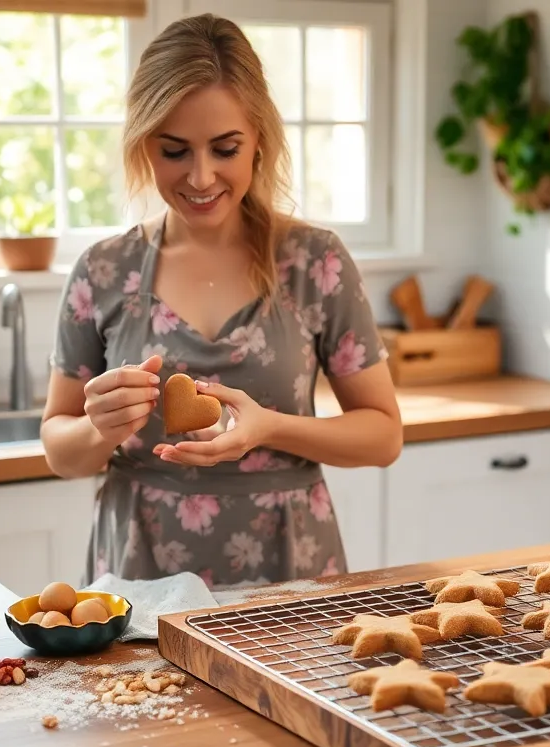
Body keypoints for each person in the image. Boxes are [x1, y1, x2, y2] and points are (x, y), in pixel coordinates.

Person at [41, 13, 402, 588]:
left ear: (259, 140)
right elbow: (62, 452)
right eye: (175, 150)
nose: (202, 176)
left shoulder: (315, 261)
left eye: (225, 148)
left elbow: (383, 436)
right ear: (144, 145)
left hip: (289, 569)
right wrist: (100, 428)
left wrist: (269, 428)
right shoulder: (103, 270)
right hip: (140, 573)